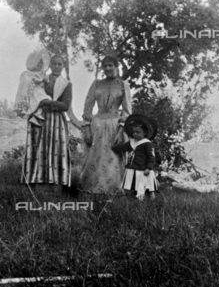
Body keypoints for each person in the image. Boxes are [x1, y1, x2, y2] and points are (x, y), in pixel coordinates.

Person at [80, 54, 132, 195]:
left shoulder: (123, 85)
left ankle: (112, 191)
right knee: (95, 158)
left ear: (116, 66)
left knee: (113, 159)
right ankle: (92, 190)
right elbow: (87, 107)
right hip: (97, 125)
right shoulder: (96, 84)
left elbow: (127, 111)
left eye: (111, 65)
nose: (108, 68)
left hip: (115, 127)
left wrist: (121, 132)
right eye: (105, 66)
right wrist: (86, 128)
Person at [21, 53, 73, 191]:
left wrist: (49, 103)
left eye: (59, 64)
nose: (56, 66)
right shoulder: (41, 78)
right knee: (37, 147)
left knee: (57, 149)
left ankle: (57, 184)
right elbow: (32, 93)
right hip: (40, 117)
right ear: (49, 65)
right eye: (54, 63)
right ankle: (34, 182)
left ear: (63, 67)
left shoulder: (66, 84)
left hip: (56, 120)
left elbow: (66, 105)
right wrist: (39, 103)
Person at [120, 114, 158, 200]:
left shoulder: (147, 143)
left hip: (142, 168)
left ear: (144, 133)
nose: (135, 134)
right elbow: (122, 148)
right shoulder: (131, 142)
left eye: (138, 132)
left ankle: (150, 196)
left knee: (147, 184)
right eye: (133, 132)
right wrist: (114, 148)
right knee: (132, 182)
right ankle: (130, 195)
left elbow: (151, 156)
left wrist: (149, 167)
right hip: (132, 167)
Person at [14, 48, 51, 126]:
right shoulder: (27, 73)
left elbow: (46, 80)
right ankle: (29, 114)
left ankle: (36, 115)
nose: (39, 66)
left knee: (42, 102)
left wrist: (43, 79)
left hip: (40, 92)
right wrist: (35, 80)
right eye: (37, 64)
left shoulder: (41, 74)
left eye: (40, 64)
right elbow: (25, 83)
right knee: (35, 102)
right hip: (32, 93)